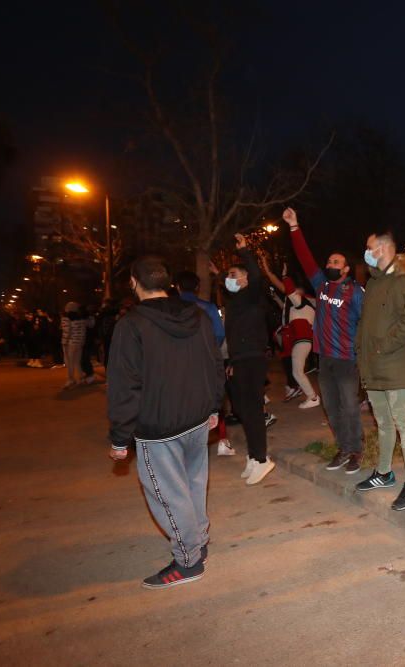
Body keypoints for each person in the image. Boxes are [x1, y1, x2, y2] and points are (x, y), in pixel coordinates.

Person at [107, 255, 225, 589]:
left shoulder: (130, 325)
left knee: (169, 495)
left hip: (159, 427)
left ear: (134, 282)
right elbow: (216, 363)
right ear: (167, 283)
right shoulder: (198, 316)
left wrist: (119, 438)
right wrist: (215, 406)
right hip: (197, 418)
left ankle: (188, 561)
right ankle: (198, 542)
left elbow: (124, 385)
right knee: (193, 486)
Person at [283, 207, 365, 473]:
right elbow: (305, 259)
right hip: (325, 359)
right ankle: (343, 448)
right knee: (331, 407)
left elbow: (367, 322)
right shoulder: (321, 285)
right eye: (329, 262)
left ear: (346, 269)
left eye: (336, 263)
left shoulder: (355, 292)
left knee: (350, 406)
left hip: (346, 360)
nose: (330, 266)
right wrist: (294, 226)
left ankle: (356, 450)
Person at [353, 233, 405, 510]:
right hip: (373, 363)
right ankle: (384, 473)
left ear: (382, 248)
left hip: (395, 362)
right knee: (382, 422)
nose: (366, 252)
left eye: (369, 247)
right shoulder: (373, 282)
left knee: (403, 422)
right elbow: (366, 322)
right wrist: (362, 350)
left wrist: (384, 345)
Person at [222, 233, 277, 485]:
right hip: (239, 360)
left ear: (245, 278)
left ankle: (262, 459)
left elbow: (257, 276)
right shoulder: (235, 302)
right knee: (242, 409)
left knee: (253, 410)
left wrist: (245, 252)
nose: (228, 280)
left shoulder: (253, 294)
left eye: (233, 275)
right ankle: (254, 456)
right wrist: (231, 363)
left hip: (253, 358)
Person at [175, 270, 235, 457]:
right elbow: (219, 333)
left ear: (177, 287)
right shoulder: (207, 307)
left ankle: (184, 445)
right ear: (197, 287)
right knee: (214, 399)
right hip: (205, 362)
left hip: (178, 363)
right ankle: (223, 441)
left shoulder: (171, 307)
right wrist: (210, 351)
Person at [258, 255, 320, 409]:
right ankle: (307, 394)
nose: (289, 293)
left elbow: (289, 291)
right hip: (300, 339)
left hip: (302, 339)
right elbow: (285, 301)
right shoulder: (296, 306)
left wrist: (285, 276)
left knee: (297, 371)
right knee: (296, 370)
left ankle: (312, 397)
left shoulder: (301, 302)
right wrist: (267, 269)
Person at [60, 302, 87, 388]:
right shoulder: (81, 319)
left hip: (70, 343)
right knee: (77, 362)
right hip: (79, 343)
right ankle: (81, 379)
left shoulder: (66, 318)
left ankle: (71, 380)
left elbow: (67, 332)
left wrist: (64, 342)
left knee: (70, 363)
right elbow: (84, 331)